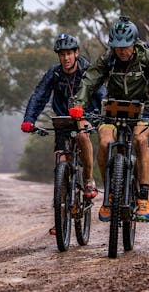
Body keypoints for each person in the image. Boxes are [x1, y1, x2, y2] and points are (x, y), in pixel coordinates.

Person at [70, 16, 149, 223]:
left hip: (143, 108)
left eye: (125, 46)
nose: (122, 51)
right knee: (104, 142)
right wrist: (79, 103)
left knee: (140, 140)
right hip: (113, 107)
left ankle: (143, 198)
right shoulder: (108, 58)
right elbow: (90, 79)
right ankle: (110, 193)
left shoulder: (146, 58)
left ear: (134, 43)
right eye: (117, 47)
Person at [21, 33, 104, 204]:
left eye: (69, 54)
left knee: (82, 135)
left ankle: (88, 180)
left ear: (76, 53)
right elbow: (39, 95)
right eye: (62, 54)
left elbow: (101, 93)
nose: (65, 58)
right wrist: (29, 119)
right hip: (63, 119)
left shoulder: (88, 71)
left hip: (86, 115)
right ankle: (61, 211)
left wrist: (102, 115)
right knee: (61, 160)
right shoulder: (55, 73)